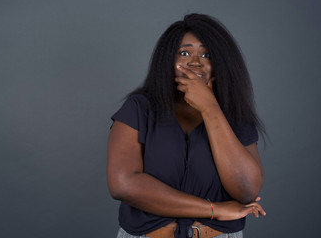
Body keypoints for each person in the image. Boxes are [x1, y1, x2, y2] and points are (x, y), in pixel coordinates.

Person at [107, 13, 266, 238]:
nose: (194, 62)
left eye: (206, 54)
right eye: (184, 52)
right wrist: (214, 210)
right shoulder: (139, 108)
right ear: (168, 61)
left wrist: (210, 108)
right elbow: (123, 184)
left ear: (221, 63)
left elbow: (247, 190)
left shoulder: (235, 116)